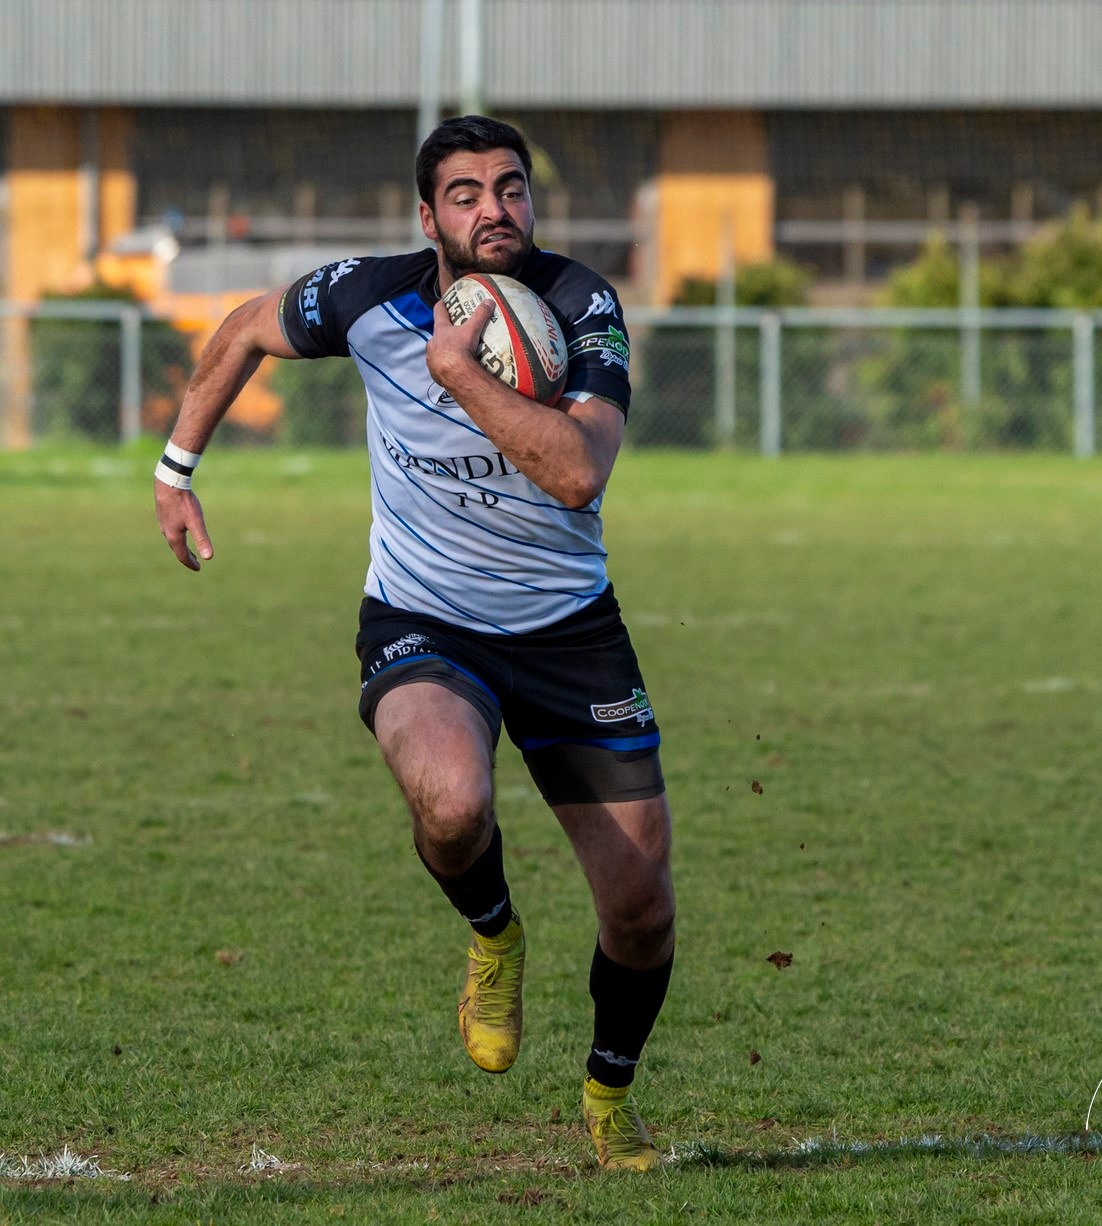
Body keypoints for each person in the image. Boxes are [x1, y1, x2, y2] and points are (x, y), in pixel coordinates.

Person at [151, 115, 675, 1172]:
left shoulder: (581, 306)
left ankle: (609, 1092)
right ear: (428, 215)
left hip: (571, 631)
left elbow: (579, 472)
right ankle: (494, 931)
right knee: (450, 801)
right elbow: (247, 327)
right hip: (424, 618)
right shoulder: (364, 292)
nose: (496, 208)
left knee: (640, 906)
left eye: (513, 188)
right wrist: (176, 467)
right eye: (469, 192)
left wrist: (464, 374)